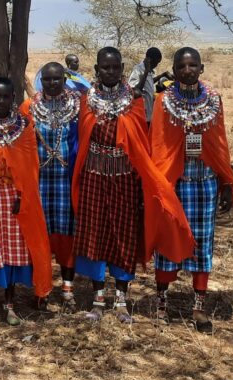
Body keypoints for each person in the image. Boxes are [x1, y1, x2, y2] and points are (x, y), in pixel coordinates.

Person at [72, 47, 194, 324]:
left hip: (126, 179)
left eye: (115, 67)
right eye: (105, 67)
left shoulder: (135, 100)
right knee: (95, 236)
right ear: (96, 69)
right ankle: (97, 299)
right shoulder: (86, 100)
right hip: (93, 176)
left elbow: (142, 142)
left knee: (124, 237)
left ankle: (122, 301)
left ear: (122, 67)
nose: (110, 72)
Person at [150, 47, 233, 333]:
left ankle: (198, 307)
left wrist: (226, 183)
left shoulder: (213, 100)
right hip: (174, 183)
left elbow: (219, 143)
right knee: (168, 240)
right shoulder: (163, 101)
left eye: (192, 65)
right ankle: (161, 302)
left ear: (201, 68)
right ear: (173, 70)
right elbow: (158, 146)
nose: (187, 70)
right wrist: (158, 186)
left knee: (202, 244)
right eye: (181, 65)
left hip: (205, 182)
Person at [0, 77, 53, 329]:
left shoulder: (25, 127)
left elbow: (30, 168)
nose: (0, 100)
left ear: (13, 98)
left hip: (16, 200)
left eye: (5, 96)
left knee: (12, 251)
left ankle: (9, 305)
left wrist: (21, 197)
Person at [20, 62, 80, 311]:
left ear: (64, 79)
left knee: (67, 237)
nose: (53, 84)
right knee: (40, 236)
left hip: (67, 181)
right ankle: (41, 289)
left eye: (57, 79)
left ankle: (67, 289)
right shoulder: (29, 108)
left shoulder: (77, 105)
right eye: (47, 80)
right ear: (41, 81)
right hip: (39, 182)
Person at [128, 47, 163, 127]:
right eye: (156, 62)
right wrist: (146, 72)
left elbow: (148, 83)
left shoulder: (149, 70)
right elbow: (135, 90)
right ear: (149, 60)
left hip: (149, 114)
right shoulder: (138, 70)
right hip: (141, 114)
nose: (156, 65)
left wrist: (160, 76)